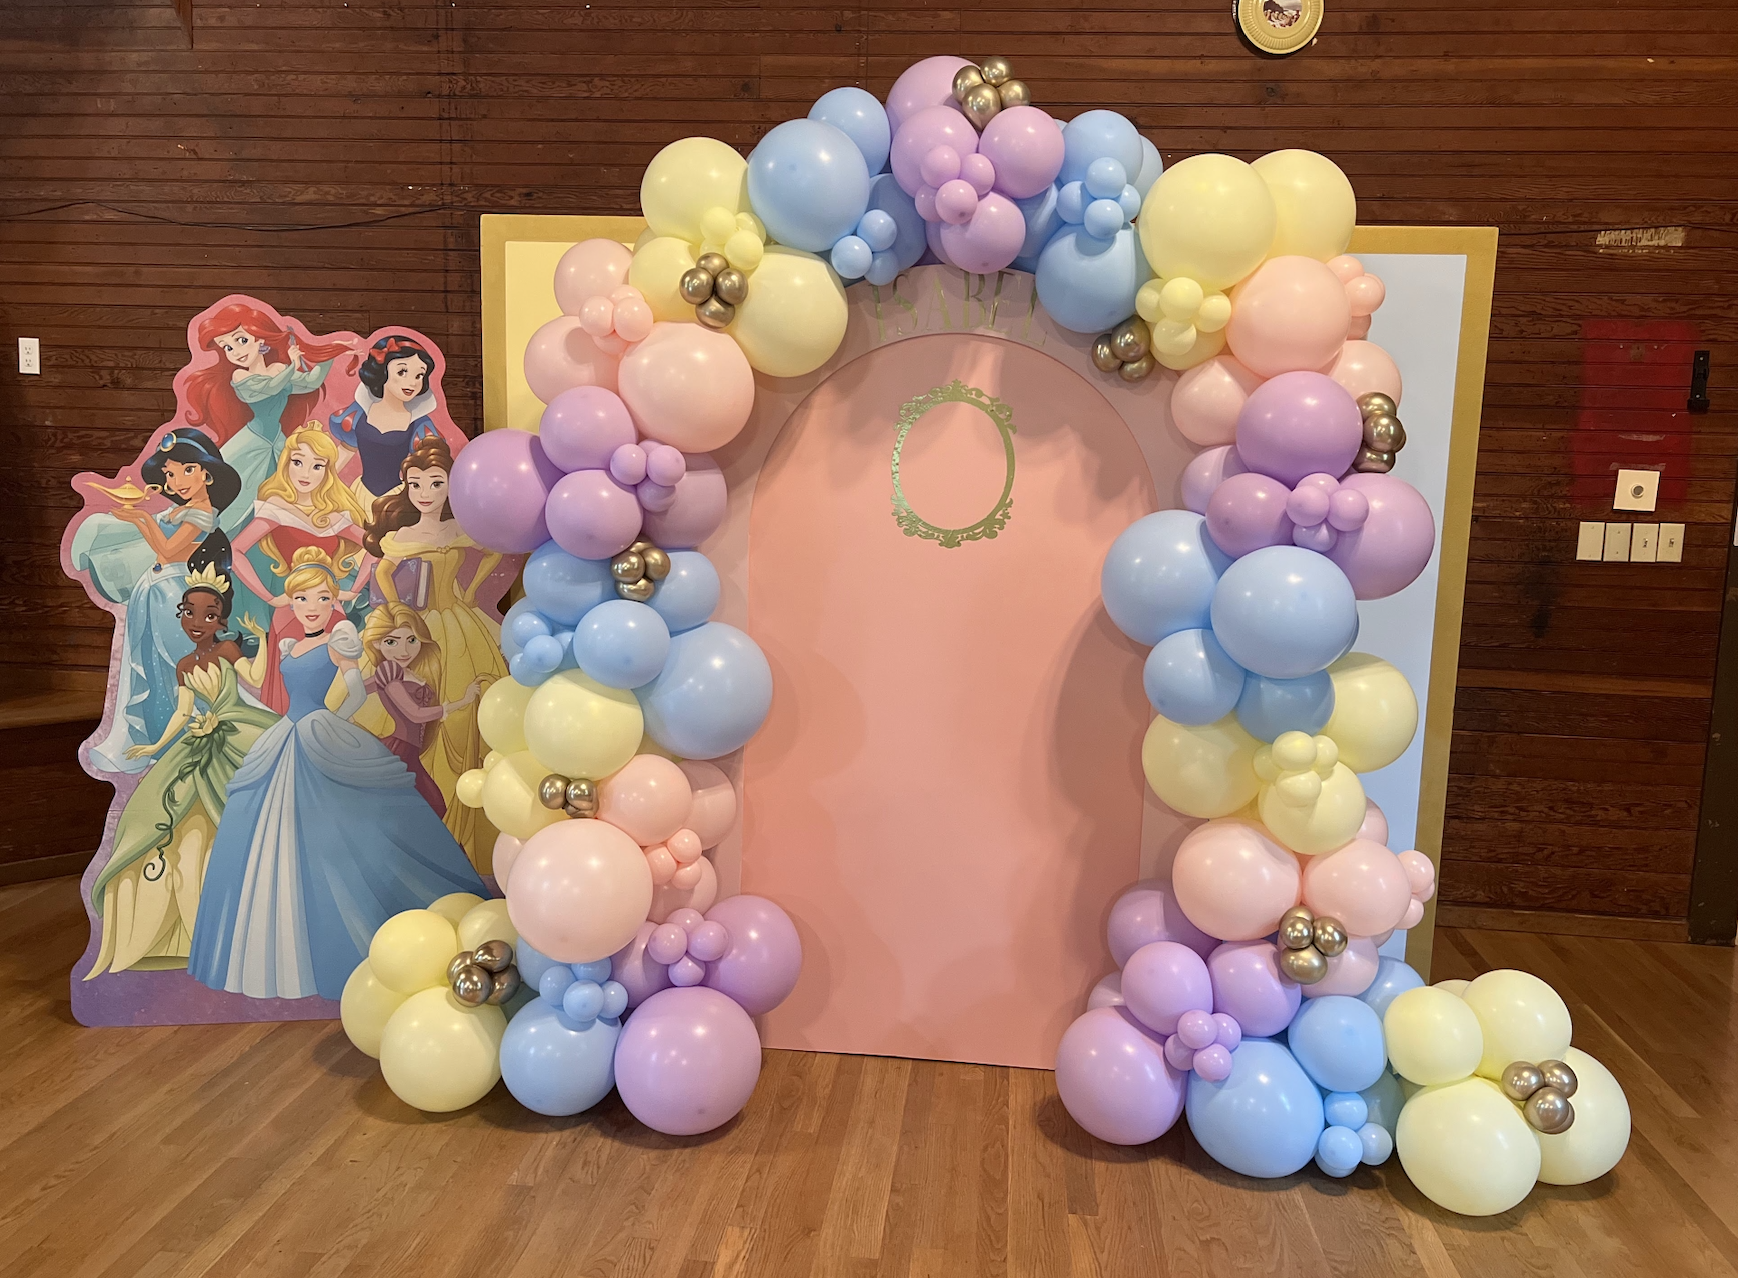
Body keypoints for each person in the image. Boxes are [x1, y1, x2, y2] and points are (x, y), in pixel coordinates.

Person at [188, 547, 485, 1002]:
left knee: (343, 827)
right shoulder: (288, 646)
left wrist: (336, 720)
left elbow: (353, 689)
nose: (313, 607)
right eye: (303, 599)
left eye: (323, 598)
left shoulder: (339, 639)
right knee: (271, 824)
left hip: (317, 730)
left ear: (334, 601)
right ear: (291, 602)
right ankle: (278, 944)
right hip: (287, 734)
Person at [84, 566, 279, 978]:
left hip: (239, 728)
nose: (197, 622)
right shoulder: (185, 664)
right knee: (166, 816)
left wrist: (261, 640)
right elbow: (183, 712)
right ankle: (183, 927)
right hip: (200, 736)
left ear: (221, 620)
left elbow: (256, 678)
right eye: (189, 612)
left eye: (209, 615)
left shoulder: (228, 650)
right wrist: (155, 747)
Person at [361, 436, 509, 872]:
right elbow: (384, 572)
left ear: (450, 485)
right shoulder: (403, 535)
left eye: (435, 483)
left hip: (459, 623)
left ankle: (466, 823)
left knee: (467, 715)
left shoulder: (458, 527)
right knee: (413, 708)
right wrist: (398, 611)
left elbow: (492, 551)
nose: (424, 493)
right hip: (420, 626)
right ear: (406, 486)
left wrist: (471, 589)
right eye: (415, 484)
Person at [86, 429, 245, 773]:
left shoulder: (203, 511)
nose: (177, 481)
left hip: (173, 591)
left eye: (187, 470)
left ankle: (187, 739)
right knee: (150, 663)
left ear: (206, 473)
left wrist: (143, 518)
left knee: (175, 663)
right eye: (170, 474)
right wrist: (139, 519)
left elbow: (169, 550)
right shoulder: (182, 508)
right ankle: (154, 737)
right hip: (153, 589)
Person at [227, 425, 373, 713]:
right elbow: (235, 550)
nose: (306, 473)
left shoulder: (333, 515)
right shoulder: (276, 508)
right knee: (287, 693)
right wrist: (270, 598)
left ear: (328, 471)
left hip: (330, 610)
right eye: (298, 462)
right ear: (286, 463)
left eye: (317, 465)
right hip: (291, 610)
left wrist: (353, 590)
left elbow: (376, 549)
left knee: (334, 686)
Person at [180, 301, 356, 535]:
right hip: (252, 444)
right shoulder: (240, 376)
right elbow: (270, 388)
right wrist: (292, 366)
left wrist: (332, 353)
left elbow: (311, 382)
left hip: (278, 443)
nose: (236, 352)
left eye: (241, 340)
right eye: (228, 347)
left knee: (282, 499)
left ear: (260, 340)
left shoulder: (278, 370)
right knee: (234, 500)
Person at [359, 603, 481, 817]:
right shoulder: (389, 671)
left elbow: (358, 689)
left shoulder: (406, 671)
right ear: (377, 643)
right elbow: (415, 714)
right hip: (400, 751)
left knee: (432, 806)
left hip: (409, 753)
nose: (404, 651)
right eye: (391, 642)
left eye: (412, 640)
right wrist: (463, 701)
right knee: (429, 806)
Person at [328, 334, 443, 506]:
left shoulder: (419, 424)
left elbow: (425, 470)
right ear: (382, 372)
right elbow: (343, 454)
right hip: (359, 495)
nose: (412, 383)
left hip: (396, 499)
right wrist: (320, 488)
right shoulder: (358, 412)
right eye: (402, 372)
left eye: (419, 375)